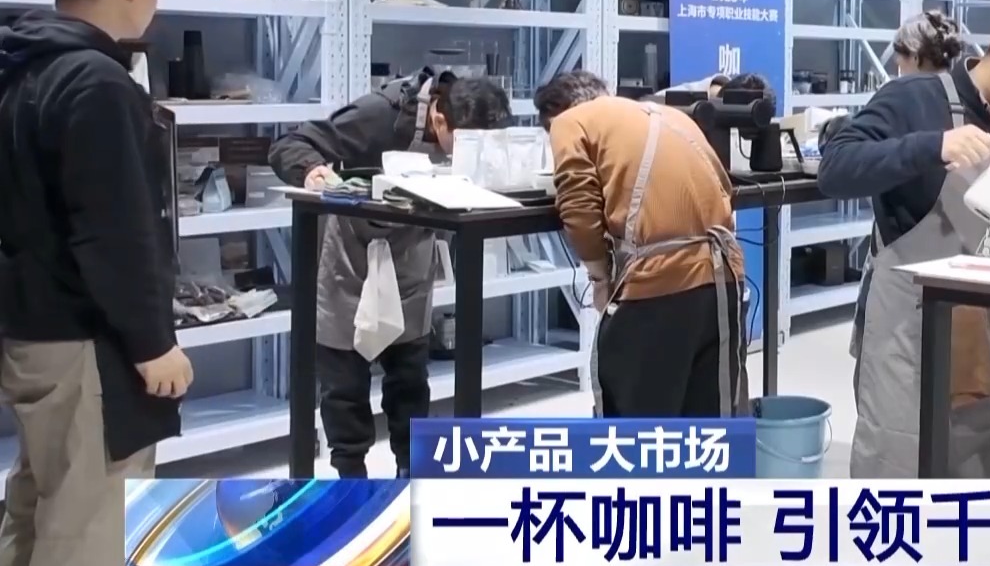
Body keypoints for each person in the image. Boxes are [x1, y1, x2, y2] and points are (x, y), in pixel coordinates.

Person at [818, 0, 990, 477]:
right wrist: (933, 146)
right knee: (897, 467)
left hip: (987, 330)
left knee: (975, 465)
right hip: (910, 328)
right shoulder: (914, 99)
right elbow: (835, 169)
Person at [0, 0, 185, 563]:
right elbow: (113, 229)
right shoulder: (96, 82)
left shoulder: (22, 69)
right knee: (93, 519)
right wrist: (153, 342)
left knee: (39, 498)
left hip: (30, 326)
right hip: (87, 337)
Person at [269, 71, 511, 476]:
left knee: (409, 379)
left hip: (408, 255)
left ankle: (411, 474)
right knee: (344, 383)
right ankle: (350, 479)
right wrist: (312, 170)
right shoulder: (380, 114)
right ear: (439, 119)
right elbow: (289, 145)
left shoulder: (464, 124)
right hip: (350, 256)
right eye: (467, 143)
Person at [534, 71, 745, 417]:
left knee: (637, 424)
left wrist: (600, 277)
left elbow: (577, 205)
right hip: (722, 282)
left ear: (556, 111)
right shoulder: (673, 116)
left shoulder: (570, 121)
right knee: (705, 419)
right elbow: (724, 187)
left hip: (656, 286)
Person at [893, 10, 964, 74]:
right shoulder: (957, 83)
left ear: (915, 57)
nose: (897, 61)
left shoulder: (901, 84)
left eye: (900, 53)